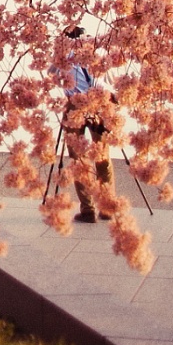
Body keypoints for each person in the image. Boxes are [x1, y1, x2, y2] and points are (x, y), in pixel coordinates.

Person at [61, 25, 116, 223]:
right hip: (98, 104)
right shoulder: (98, 52)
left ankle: (87, 209)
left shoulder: (62, 56)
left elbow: (53, 76)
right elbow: (109, 78)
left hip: (74, 105)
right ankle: (107, 207)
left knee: (78, 159)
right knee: (102, 157)